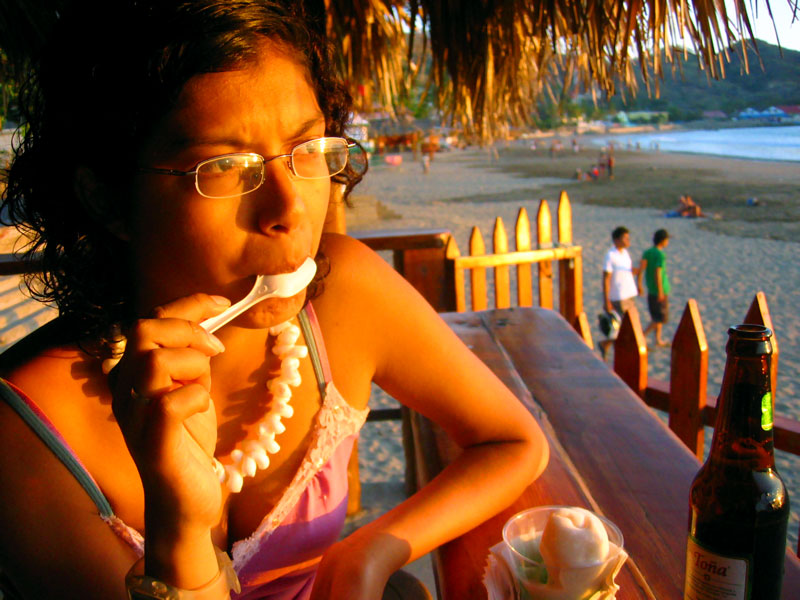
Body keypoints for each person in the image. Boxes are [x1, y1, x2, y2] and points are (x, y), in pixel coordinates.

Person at [0, 2, 549, 599]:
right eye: (224, 166)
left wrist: (371, 551)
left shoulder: (346, 297)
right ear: (106, 197)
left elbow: (514, 442)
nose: (290, 209)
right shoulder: (26, 433)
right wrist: (180, 530)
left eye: (307, 149)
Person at [637, 229, 671, 347]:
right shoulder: (660, 255)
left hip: (651, 289)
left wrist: (639, 284)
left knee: (656, 315)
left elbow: (641, 269)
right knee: (660, 318)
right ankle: (641, 336)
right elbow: (658, 273)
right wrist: (660, 291)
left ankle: (657, 339)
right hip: (659, 290)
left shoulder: (647, 252)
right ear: (662, 241)